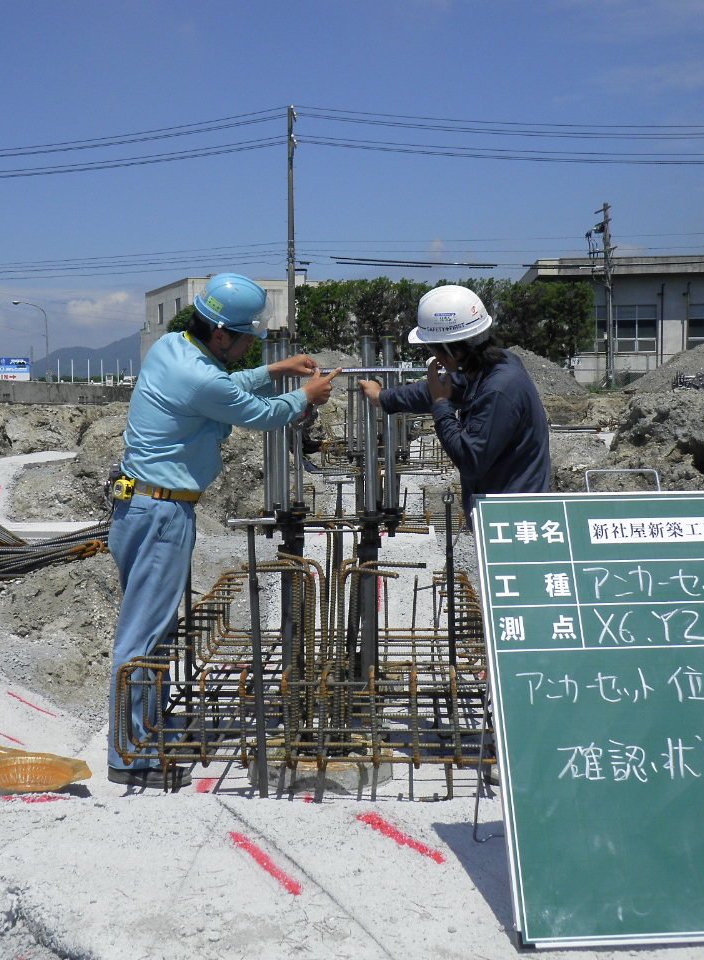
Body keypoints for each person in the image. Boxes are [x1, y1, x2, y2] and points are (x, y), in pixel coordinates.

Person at [107, 272, 340, 789]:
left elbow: (226, 386)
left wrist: (274, 368)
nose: (247, 347)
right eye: (245, 339)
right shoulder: (201, 378)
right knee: (144, 637)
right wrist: (304, 396)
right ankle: (131, 754)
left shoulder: (173, 347)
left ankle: (144, 728)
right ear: (220, 335)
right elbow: (257, 413)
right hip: (161, 514)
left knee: (155, 630)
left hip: (139, 509)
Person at [358, 285, 551, 516]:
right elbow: (436, 390)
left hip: (514, 517)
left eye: (432, 349)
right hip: (504, 509)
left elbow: (470, 459)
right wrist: (384, 398)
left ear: (454, 351)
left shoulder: (498, 390)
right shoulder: (488, 368)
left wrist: (441, 405)